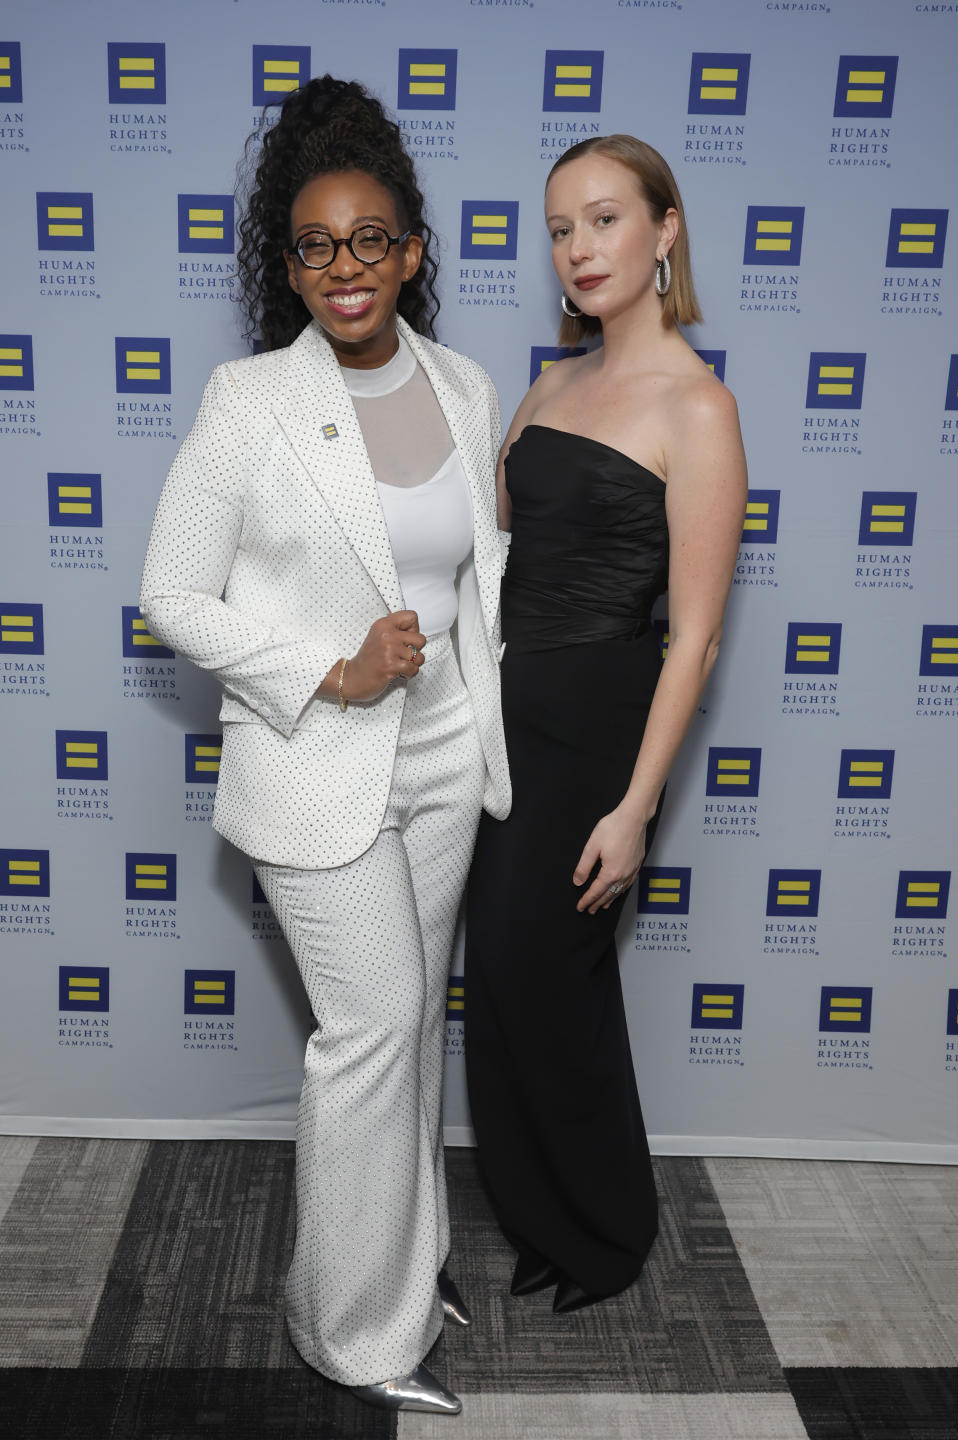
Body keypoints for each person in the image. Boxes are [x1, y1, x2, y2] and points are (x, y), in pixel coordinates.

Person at [139, 76, 509, 1416]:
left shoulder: (465, 389)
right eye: (314, 246)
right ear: (284, 262)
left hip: (446, 758)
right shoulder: (249, 402)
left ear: (412, 248)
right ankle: (346, 1326)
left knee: (410, 1035)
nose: (343, 269)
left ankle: (405, 1268)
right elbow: (171, 597)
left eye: (369, 240)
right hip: (316, 759)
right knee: (372, 1028)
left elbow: (480, 583)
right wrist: (330, 669)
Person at [464, 134, 747, 1313]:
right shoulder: (549, 382)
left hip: (598, 733)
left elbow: (697, 636)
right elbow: (494, 557)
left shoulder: (698, 405)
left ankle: (607, 1232)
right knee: (514, 981)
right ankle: (541, 1218)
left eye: (605, 220)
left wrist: (633, 809)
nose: (579, 249)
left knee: (551, 974)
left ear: (665, 230)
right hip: (501, 715)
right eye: (560, 229)